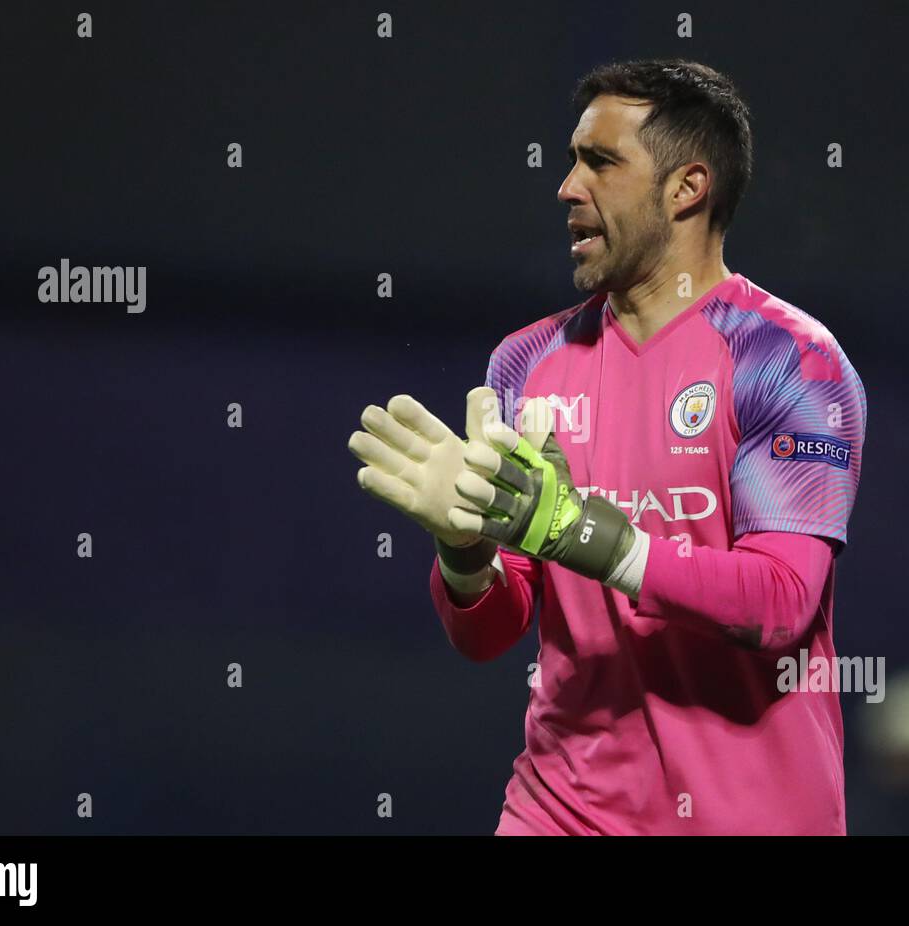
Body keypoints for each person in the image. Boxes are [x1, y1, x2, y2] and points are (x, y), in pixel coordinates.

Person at [349, 59, 866, 835]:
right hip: (562, 810)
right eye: (570, 160)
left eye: (600, 161)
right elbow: (493, 632)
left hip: (752, 816)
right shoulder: (526, 363)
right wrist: (462, 552)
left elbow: (782, 603)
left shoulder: (786, 358)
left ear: (687, 187)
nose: (566, 186)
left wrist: (582, 534)